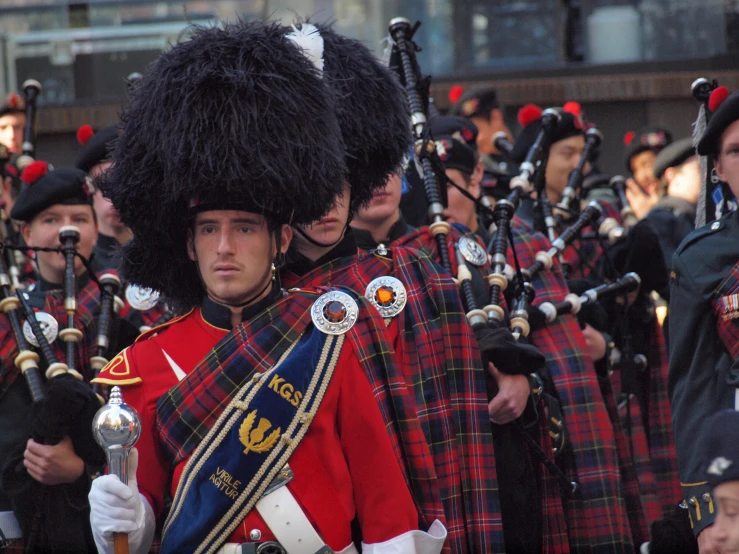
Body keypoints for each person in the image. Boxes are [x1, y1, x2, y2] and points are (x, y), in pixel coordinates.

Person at [89, 20, 445, 554]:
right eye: (209, 229)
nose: (225, 247)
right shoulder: (143, 365)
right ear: (189, 244)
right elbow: (143, 526)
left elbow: (383, 501)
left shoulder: (326, 336)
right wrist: (125, 516)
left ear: (280, 239)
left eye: (245, 228)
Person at [0, 162, 123, 553]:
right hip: (14, 509)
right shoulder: (6, 320)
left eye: (79, 219)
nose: (66, 230)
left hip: (108, 510)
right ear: (26, 233)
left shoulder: (125, 319)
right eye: (51, 219)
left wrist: (81, 470)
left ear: (95, 228)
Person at [669, 88, 739, 554]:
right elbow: (693, 388)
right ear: (717, 168)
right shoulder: (700, 258)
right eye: (735, 151)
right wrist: (708, 509)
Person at [75, 124, 132, 272]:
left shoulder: (162, 251)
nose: (113, 194)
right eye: (103, 184)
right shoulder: (80, 261)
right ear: (89, 190)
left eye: (124, 182)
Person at [646, 137, 701, 274]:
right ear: (671, 176)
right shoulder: (661, 220)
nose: (707, 175)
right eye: (699, 170)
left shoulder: (694, 215)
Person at [622, 126, 673, 220]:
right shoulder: (635, 208)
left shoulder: (683, 200)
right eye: (635, 170)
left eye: (648, 165)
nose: (642, 176)